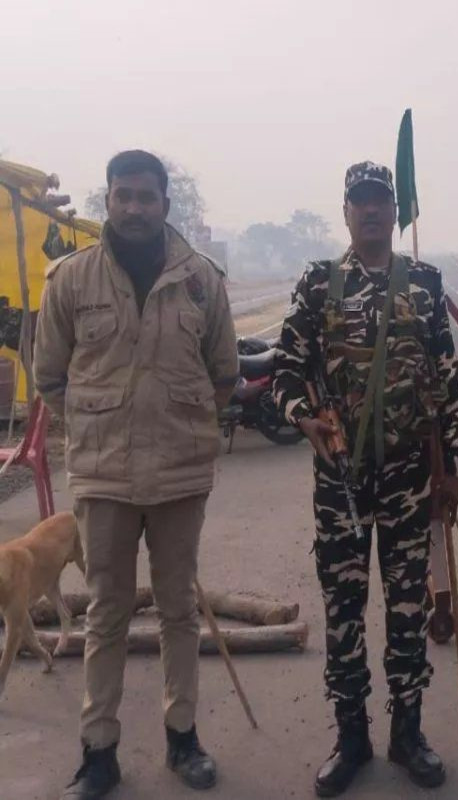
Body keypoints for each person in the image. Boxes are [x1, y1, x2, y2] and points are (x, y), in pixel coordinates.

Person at [35, 149, 238, 800]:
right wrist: (99, 429)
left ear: (165, 203)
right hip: (104, 479)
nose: (134, 207)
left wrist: (178, 422)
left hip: (180, 474)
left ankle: (184, 739)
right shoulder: (70, 280)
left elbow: (224, 373)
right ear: (108, 201)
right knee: (107, 614)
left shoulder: (202, 280)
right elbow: (50, 377)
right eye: (122, 195)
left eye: (146, 196)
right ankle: (99, 753)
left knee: (179, 610)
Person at [271, 161, 458, 797]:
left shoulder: (427, 284)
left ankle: (407, 732)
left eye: (382, 200)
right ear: (347, 211)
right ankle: (350, 735)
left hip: (412, 478)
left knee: (409, 609)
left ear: (395, 210)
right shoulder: (319, 285)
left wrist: (452, 472)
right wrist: (305, 419)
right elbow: (284, 371)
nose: (373, 211)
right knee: (345, 612)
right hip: (342, 485)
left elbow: (450, 382)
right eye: (361, 201)